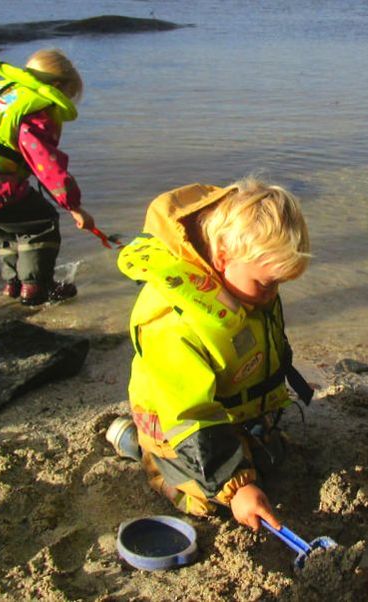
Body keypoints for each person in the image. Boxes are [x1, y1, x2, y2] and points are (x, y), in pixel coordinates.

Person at [106, 177, 314, 531]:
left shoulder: (246, 283)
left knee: (272, 460)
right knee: (208, 503)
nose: (271, 294)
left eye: (279, 283)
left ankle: (238, 452)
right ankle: (140, 447)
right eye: (265, 283)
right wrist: (237, 488)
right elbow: (190, 416)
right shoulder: (173, 322)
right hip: (178, 425)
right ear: (222, 257)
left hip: (234, 412)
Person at [0, 48, 96, 306]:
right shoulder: (36, 110)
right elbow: (45, 162)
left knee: (11, 231)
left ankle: (13, 285)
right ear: (57, 85)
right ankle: (36, 288)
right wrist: (74, 206)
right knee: (41, 225)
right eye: (68, 94)